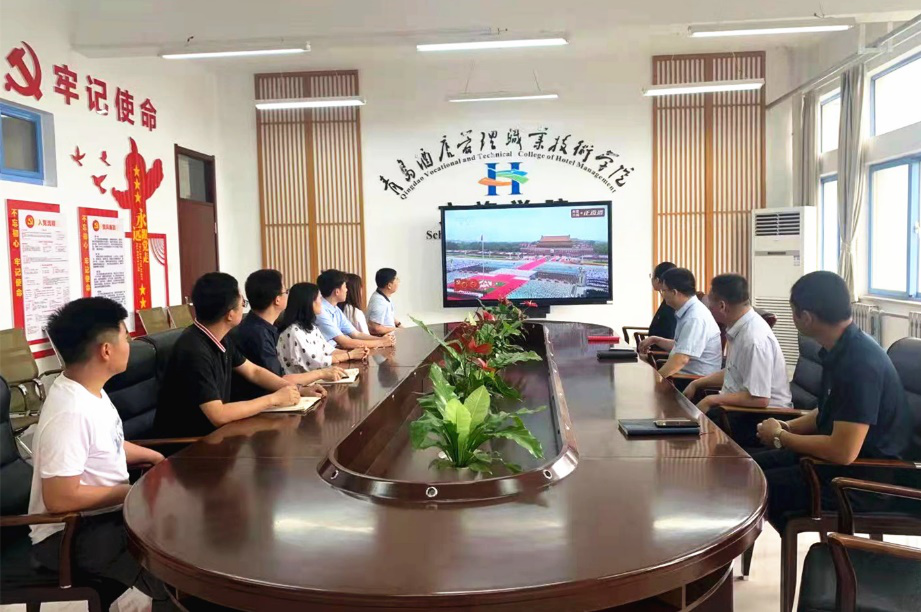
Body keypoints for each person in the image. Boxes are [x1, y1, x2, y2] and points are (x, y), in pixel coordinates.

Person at [29, 297, 178, 611]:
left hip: (101, 517)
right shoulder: (70, 412)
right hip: (70, 534)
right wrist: (133, 491)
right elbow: (59, 498)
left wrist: (154, 458)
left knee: (179, 528)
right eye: (125, 335)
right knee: (170, 571)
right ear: (106, 350)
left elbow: (108, 443)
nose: (130, 342)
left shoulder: (89, 390)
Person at [753, 271, 912, 529]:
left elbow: (843, 451)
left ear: (806, 317)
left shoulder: (859, 362)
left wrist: (781, 438)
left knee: (751, 485)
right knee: (747, 467)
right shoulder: (841, 348)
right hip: (834, 466)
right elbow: (826, 409)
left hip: (862, 483)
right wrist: (787, 427)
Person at [154, 272, 308, 438]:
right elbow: (218, 415)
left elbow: (254, 372)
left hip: (219, 436)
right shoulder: (193, 350)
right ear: (230, 314)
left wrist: (294, 389)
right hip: (189, 444)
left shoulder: (221, 338)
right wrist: (273, 399)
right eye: (242, 303)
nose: (244, 307)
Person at [684, 274, 792, 413]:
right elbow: (734, 373)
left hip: (761, 416)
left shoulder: (753, 339)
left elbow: (760, 399)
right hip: (736, 407)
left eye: (710, 307)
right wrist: (696, 383)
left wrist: (711, 400)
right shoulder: (739, 328)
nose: (709, 311)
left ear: (722, 306)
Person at [231, 269, 344, 400]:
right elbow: (278, 378)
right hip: (261, 402)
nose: (288, 295)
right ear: (277, 300)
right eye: (286, 292)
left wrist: (301, 389)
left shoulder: (262, 327)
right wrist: (321, 374)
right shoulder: (257, 334)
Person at [638, 267, 722, 381]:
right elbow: (682, 346)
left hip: (692, 381)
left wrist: (656, 380)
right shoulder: (689, 311)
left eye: (663, 291)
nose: (662, 295)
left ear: (674, 292)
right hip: (682, 375)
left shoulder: (695, 317)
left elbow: (681, 359)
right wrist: (656, 340)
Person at [278, 283, 370, 372]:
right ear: (309, 302)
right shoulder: (294, 331)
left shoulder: (311, 327)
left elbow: (328, 350)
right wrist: (350, 355)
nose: (321, 302)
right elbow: (315, 362)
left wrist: (357, 352)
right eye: (319, 298)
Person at [315, 269, 395, 349]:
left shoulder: (335, 309)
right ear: (337, 292)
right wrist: (381, 342)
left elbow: (356, 334)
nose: (347, 290)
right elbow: (345, 342)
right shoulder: (320, 311)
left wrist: (382, 339)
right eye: (345, 287)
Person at [647, 261, 678, 342]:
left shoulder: (671, 303)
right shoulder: (667, 301)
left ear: (657, 280)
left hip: (661, 349)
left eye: (652, 276)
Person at [367, 267, 402, 336]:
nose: (399, 281)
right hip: (383, 339)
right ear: (389, 286)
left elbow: (389, 316)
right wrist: (394, 329)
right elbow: (375, 328)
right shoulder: (379, 302)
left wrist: (399, 325)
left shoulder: (384, 295)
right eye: (396, 279)